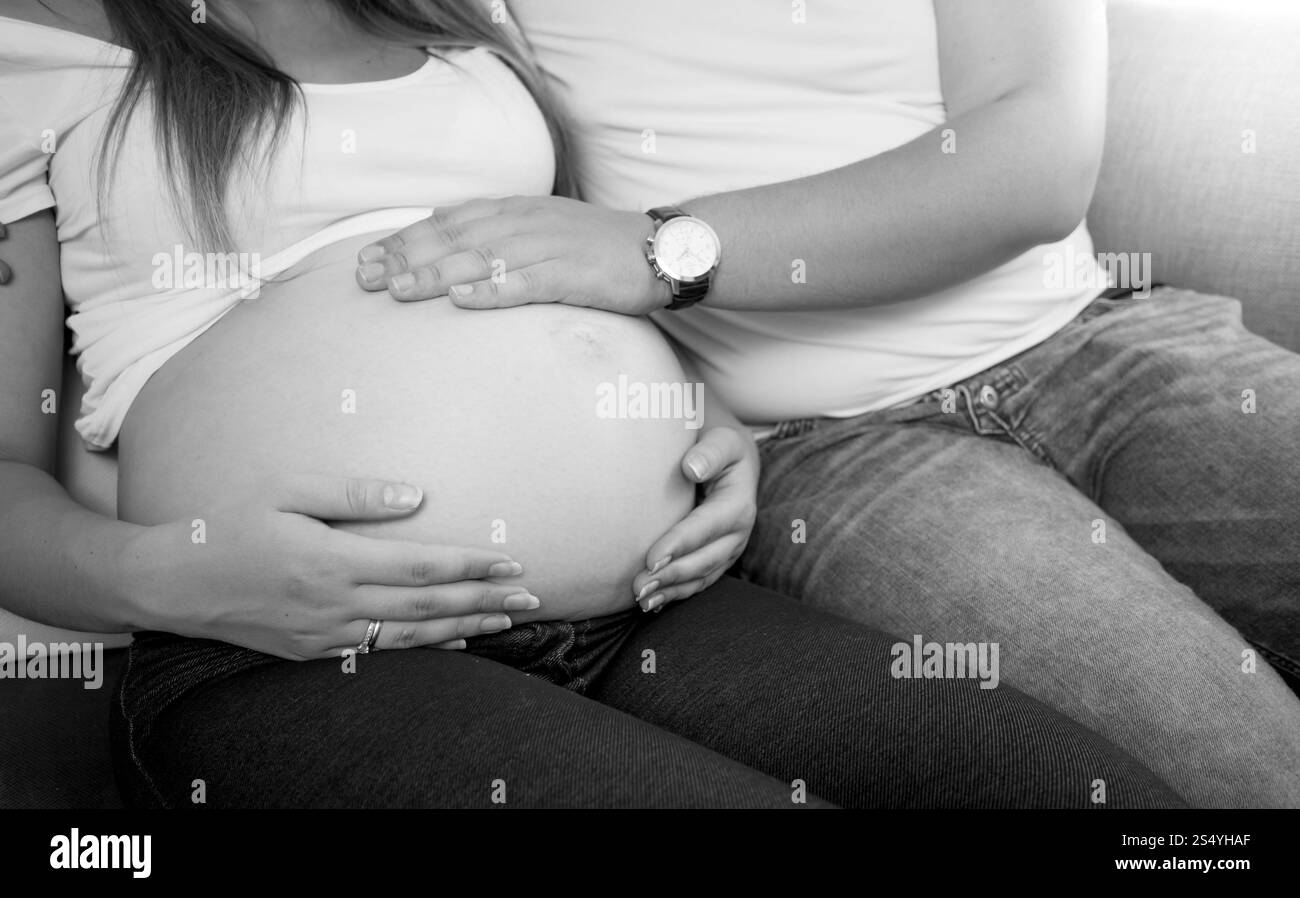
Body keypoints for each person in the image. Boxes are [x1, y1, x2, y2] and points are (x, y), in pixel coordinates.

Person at [0, 0, 1184, 808]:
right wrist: (166, 575)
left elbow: (577, 270)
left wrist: (700, 429)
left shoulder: (459, 16)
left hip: (648, 607)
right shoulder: (38, 45)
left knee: (1096, 804)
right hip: (298, 647)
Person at [354, 0, 1300, 807]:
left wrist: (658, 251)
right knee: (1248, 786)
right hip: (830, 449)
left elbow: (1037, 161)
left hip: (1103, 339)